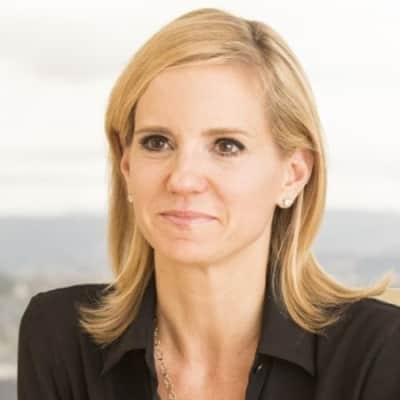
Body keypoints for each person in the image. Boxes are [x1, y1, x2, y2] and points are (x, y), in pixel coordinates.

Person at [17, 7, 400, 400]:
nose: (183, 178)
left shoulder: (379, 351)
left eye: (226, 146)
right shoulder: (60, 337)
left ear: (293, 174)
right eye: (157, 142)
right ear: (126, 164)